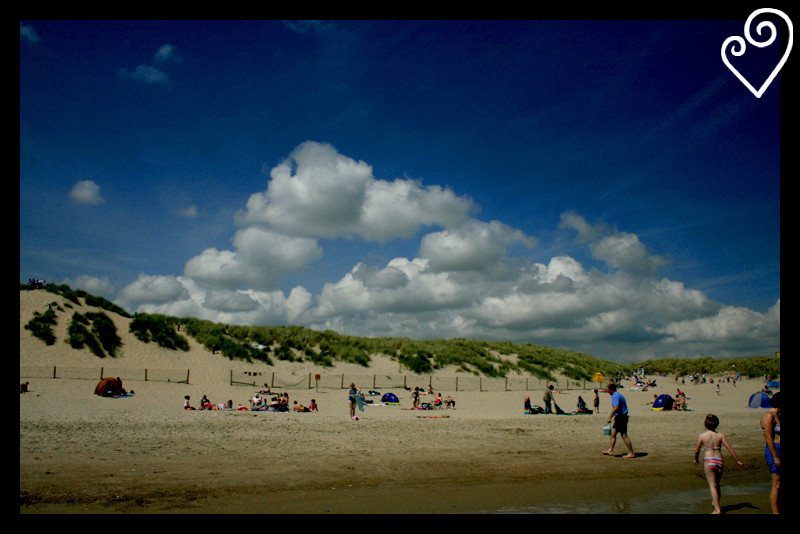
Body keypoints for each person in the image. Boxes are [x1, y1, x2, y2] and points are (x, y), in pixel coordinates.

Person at [694, 414, 743, 514]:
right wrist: (737, 460)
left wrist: (696, 459)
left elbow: (697, 450)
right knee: (717, 484)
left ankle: (717, 509)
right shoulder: (720, 435)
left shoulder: (703, 436)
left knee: (712, 485)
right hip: (719, 460)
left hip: (709, 460)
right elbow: (729, 448)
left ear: (705, 424)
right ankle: (715, 502)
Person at [761, 391, 781, 514]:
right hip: (775, 449)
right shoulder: (769, 416)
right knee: (777, 483)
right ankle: (775, 512)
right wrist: (775, 457)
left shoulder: (779, 415)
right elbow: (768, 437)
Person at [602, 383, 635, 458]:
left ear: (611, 389)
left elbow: (616, 407)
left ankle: (631, 453)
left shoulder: (616, 396)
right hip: (619, 417)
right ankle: (610, 450)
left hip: (621, 418)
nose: (607, 391)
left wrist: (610, 417)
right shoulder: (617, 395)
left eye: (608, 390)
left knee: (624, 435)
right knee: (613, 434)